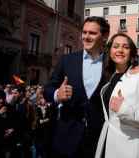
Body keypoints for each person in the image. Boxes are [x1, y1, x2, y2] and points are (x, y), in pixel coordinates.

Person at [44, 16, 110, 158]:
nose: (86, 37)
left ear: (104, 36)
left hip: (98, 139)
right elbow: (47, 89)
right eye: (84, 32)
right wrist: (57, 94)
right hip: (66, 136)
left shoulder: (110, 64)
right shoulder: (67, 60)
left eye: (92, 33)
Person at [94, 33, 139, 158]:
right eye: (116, 46)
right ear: (110, 51)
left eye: (125, 47)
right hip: (106, 145)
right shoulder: (109, 77)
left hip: (129, 149)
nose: (120, 50)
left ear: (131, 53)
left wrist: (124, 110)